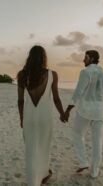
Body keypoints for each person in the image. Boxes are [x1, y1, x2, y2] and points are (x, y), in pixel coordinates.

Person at [17, 45, 65, 186]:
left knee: (31, 148)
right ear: (44, 58)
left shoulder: (22, 75)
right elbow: (56, 99)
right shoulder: (52, 74)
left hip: (29, 117)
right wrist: (62, 113)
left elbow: (20, 101)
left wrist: (22, 118)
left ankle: (35, 179)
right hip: (45, 117)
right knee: (44, 146)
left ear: (29, 57)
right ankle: (42, 175)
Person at [64, 50, 103, 178]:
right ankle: (94, 172)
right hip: (99, 111)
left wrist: (68, 110)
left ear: (92, 59)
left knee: (77, 133)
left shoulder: (85, 72)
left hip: (85, 110)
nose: (83, 60)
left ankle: (83, 162)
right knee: (98, 143)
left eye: (85, 57)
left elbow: (78, 92)